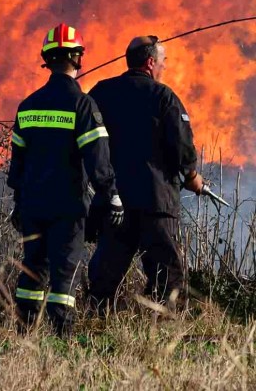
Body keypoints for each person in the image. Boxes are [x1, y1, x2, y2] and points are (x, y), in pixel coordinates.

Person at [7, 23, 123, 336]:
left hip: (32, 204)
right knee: (65, 272)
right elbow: (97, 157)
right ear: (78, 59)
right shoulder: (82, 105)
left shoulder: (28, 106)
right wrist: (111, 194)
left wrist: (18, 203)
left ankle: (24, 334)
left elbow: (16, 164)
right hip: (68, 205)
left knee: (32, 267)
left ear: (47, 59)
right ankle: (62, 337)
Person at [87, 35, 204, 309]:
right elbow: (182, 146)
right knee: (166, 270)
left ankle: (96, 315)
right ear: (151, 62)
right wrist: (191, 177)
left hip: (115, 200)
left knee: (107, 267)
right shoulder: (163, 96)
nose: (165, 67)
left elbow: (87, 140)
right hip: (155, 201)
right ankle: (164, 321)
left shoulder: (102, 92)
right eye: (163, 61)